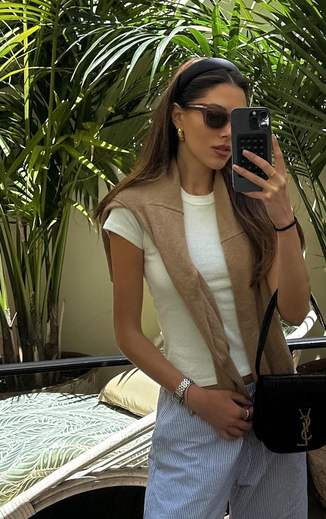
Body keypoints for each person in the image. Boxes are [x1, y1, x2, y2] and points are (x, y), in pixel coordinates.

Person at [95, 57, 311, 518]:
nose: (228, 133)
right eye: (214, 117)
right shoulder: (134, 211)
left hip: (273, 403)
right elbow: (127, 333)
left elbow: (293, 311)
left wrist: (282, 215)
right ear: (178, 116)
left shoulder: (253, 202)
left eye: (239, 121)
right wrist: (194, 396)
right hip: (195, 411)